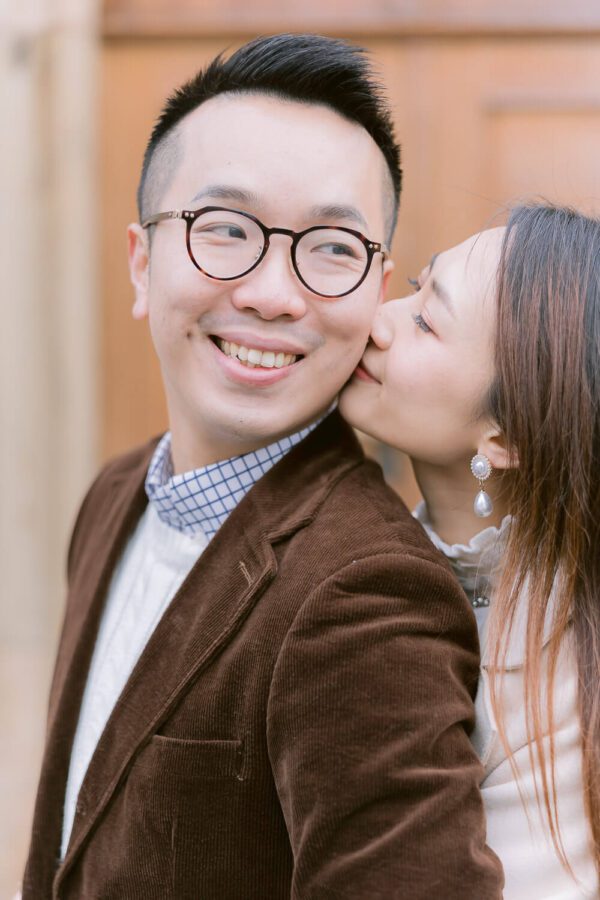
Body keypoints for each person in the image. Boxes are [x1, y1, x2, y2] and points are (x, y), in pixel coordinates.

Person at [21, 33, 503, 900]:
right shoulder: (114, 494)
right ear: (142, 261)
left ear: (376, 286)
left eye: (329, 247)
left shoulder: (365, 591)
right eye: (227, 229)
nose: (273, 293)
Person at [340, 202, 600, 898]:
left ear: (505, 440)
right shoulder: (373, 548)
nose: (378, 318)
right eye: (416, 286)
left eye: (426, 320)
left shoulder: (552, 667)